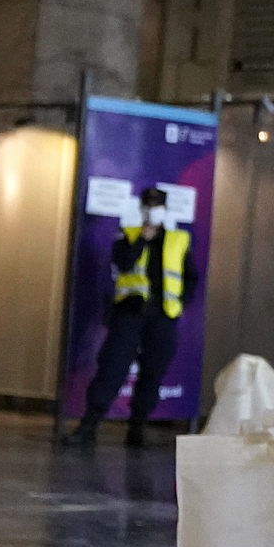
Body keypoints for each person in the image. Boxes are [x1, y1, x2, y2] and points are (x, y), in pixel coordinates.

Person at [68, 187, 195, 448]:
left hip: (162, 316)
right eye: (149, 205)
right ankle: (88, 427)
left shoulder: (178, 239)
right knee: (113, 367)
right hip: (130, 314)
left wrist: (180, 302)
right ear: (141, 208)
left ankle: (137, 429)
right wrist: (142, 239)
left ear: (165, 208)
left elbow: (190, 276)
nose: (153, 209)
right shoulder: (127, 234)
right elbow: (123, 263)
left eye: (158, 205)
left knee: (153, 372)